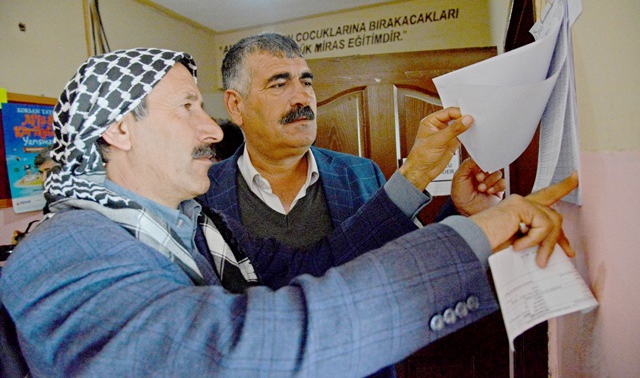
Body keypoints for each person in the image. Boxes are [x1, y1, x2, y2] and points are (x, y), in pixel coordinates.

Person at [0, 48, 578, 377]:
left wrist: (448, 206)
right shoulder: (64, 251)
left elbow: (318, 263)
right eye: (186, 108)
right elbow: (229, 352)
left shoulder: (200, 228)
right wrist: (468, 240)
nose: (210, 130)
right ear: (120, 130)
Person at [200, 32, 506, 250]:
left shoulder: (362, 173)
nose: (302, 97)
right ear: (236, 106)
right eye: (279, 84)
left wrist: (463, 212)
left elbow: (410, 258)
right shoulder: (203, 193)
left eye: (306, 82)